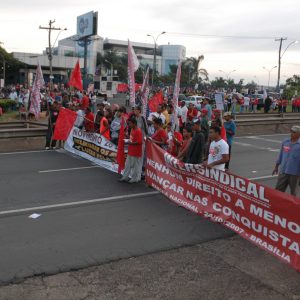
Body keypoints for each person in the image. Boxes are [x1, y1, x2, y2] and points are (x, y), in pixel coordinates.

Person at [272, 126, 300, 196]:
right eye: (291, 131)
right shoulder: (285, 142)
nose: (291, 133)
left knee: (293, 193)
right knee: (278, 191)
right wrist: (276, 167)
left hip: (295, 174)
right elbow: (280, 155)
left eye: (294, 132)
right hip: (283, 171)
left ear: (299, 134)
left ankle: (292, 206)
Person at [119, 118, 143, 183]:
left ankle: (135, 178)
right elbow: (132, 138)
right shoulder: (132, 129)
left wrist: (131, 143)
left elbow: (140, 142)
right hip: (131, 151)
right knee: (127, 165)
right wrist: (127, 137)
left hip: (136, 152)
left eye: (130, 123)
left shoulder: (138, 131)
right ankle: (125, 177)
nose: (129, 125)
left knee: (135, 166)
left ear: (134, 124)